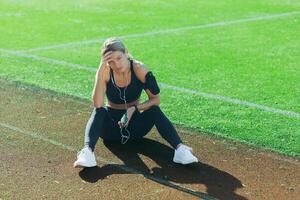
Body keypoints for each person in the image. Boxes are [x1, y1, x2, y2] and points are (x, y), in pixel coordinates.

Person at [74, 37, 198, 168]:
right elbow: (98, 104)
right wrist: (99, 73)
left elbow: (156, 99)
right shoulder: (105, 72)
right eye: (111, 61)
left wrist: (134, 108)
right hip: (110, 130)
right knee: (99, 111)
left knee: (154, 110)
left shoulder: (139, 68)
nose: (116, 64)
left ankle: (180, 150)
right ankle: (87, 153)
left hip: (135, 127)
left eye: (119, 58)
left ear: (126, 52)